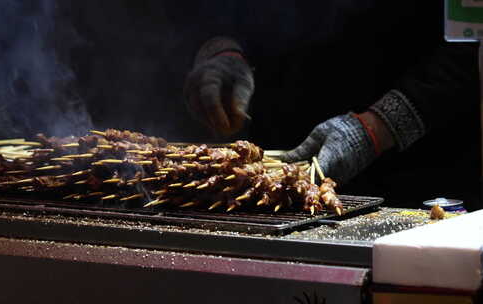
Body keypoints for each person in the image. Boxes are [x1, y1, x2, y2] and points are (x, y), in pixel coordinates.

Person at [182, 1, 481, 210]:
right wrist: (224, 48)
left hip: (411, 175)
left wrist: (378, 128)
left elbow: (469, 43)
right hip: (271, 164)